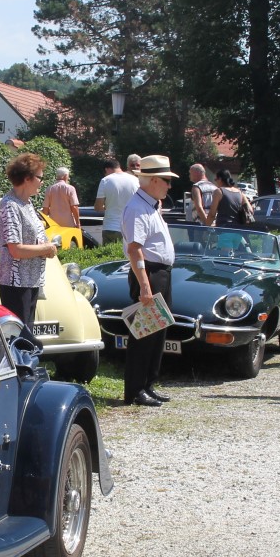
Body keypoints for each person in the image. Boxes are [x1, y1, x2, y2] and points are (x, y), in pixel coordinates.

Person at [122, 155, 180, 407]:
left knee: (158, 332)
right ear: (154, 180)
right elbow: (135, 249)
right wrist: (145, 286)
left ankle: (148, 384)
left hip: (160, 273)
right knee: (144, 335)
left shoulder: (151, 205)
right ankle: (135, 389)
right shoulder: (137, 207)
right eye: (167, 180)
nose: (169, 186)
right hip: (149, 274)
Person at [0, 153, 57, 338]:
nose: (41, 182)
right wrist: (47, 249)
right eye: (39, 177)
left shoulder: (27, 203)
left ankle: (26, 366)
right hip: (15, 282)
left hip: (30, 280)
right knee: (19, 337)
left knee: (26, 336)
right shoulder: (10, 206)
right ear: (27, 178)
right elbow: (15, 249)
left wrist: (45, 245)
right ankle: (21, 367)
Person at [94, 156, 139, 248]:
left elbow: (98, 207)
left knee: (109, 258)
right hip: (130, 228)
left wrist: (107, 206)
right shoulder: (135, 180)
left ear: (107, 169)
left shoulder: (105, 180)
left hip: (110, 227)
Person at [42, 166, 80, 230]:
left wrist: (45, 222)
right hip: (68, 223)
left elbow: (45, 208)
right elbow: (74, 207)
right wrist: (78, 223)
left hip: (53, 223)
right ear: (65, 176)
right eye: (68, 176)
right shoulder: (70, 188)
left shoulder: (49, 189)